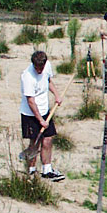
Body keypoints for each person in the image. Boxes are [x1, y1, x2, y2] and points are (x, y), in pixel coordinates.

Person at [20, 51, 65, 181]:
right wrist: (40, 120)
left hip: (45, 110)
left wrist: (56, 95)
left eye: (41, 67)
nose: (39, 70)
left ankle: (47, 170)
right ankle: (31, 171)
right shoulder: (27, 77)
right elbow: (30, 101)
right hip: (30, 114)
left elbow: (48, 80)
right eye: (37, 68)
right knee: (34, 142)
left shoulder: (47, 67)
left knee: (48, 139)